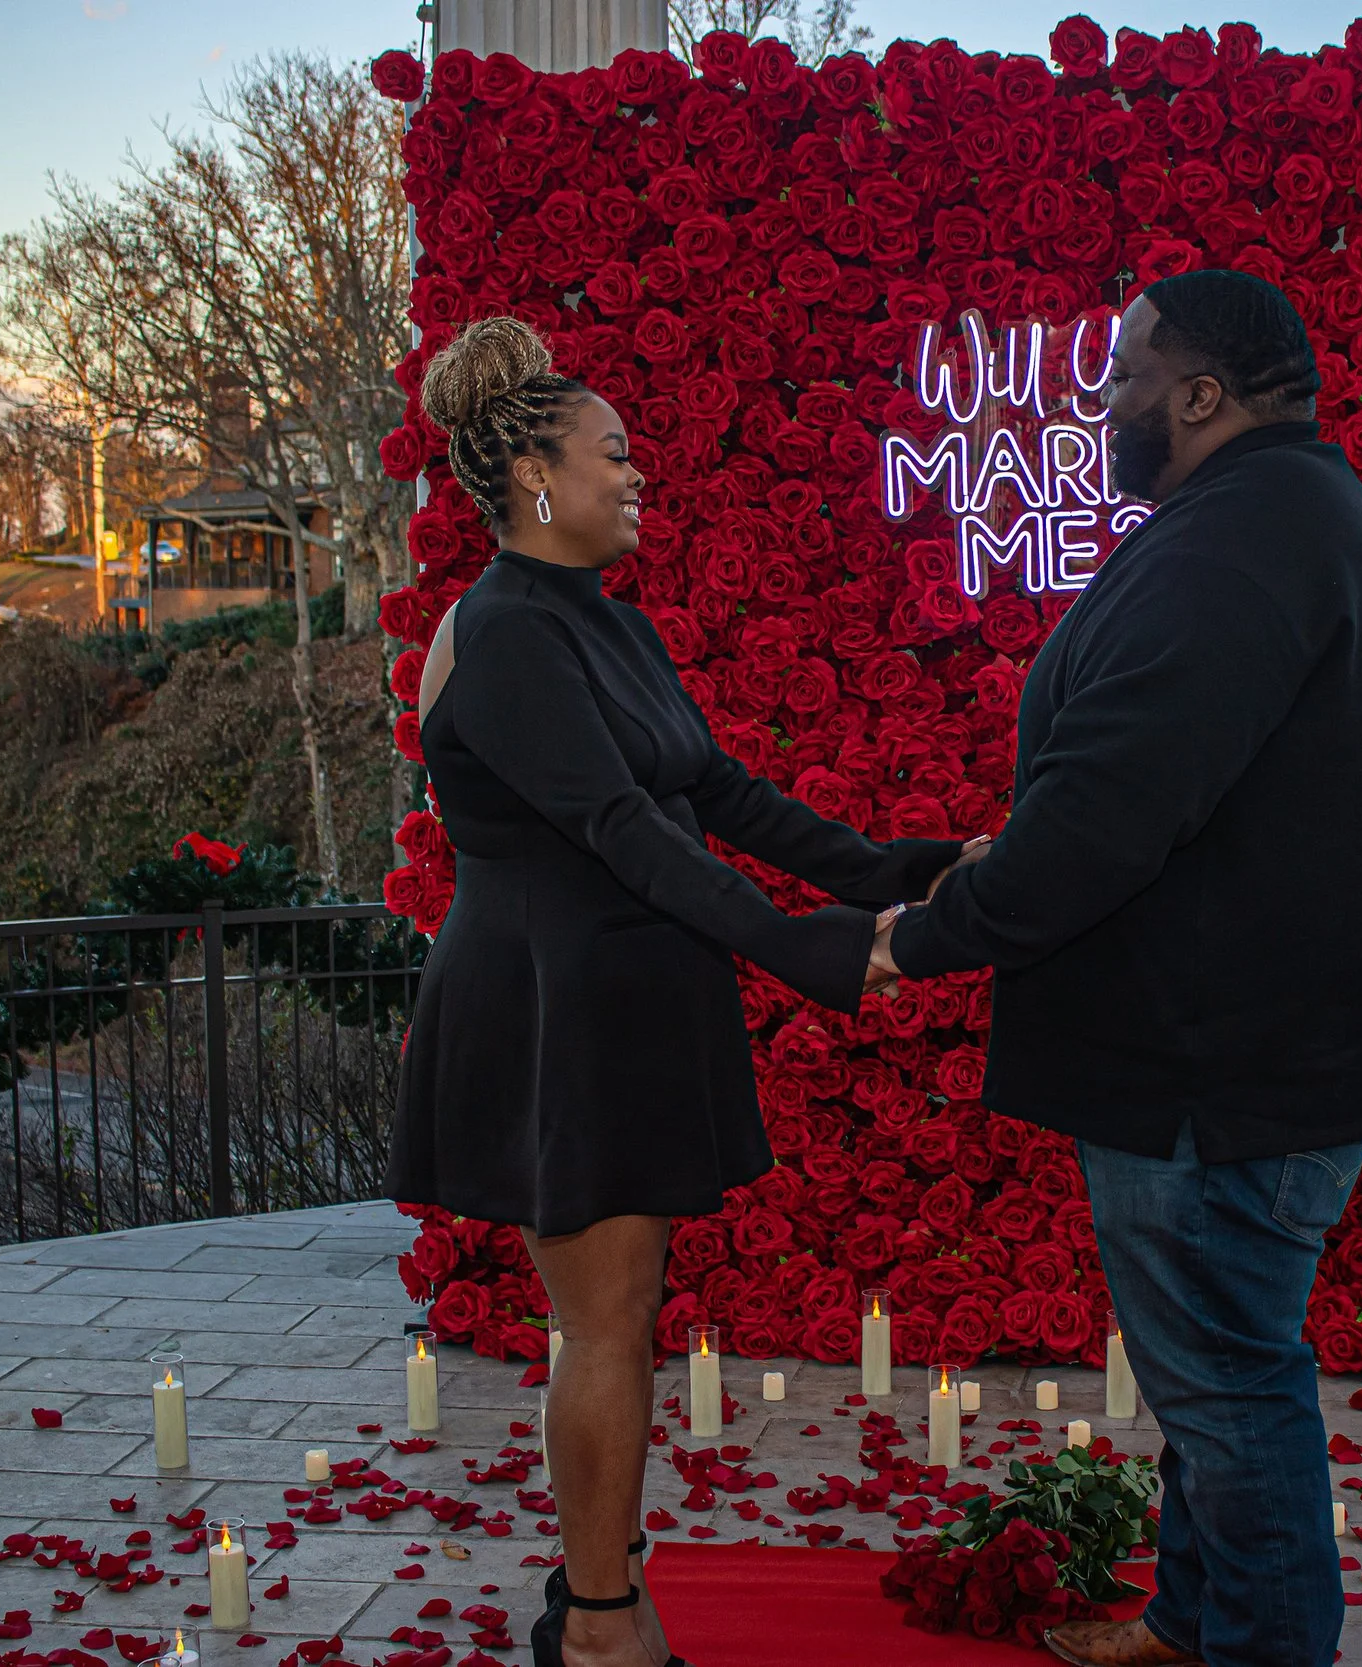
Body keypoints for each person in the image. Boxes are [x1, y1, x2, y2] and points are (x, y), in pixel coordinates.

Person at [872, 270, 1362, 1667]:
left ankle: (1249, 1646)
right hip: (1265, 1054)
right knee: (1221, 1376)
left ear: (1201, 394)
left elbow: (1107, 818)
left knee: (1233, 1389)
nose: (1105, 398)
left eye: (1128, 372)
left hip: (1218, 1071)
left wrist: (922, 936)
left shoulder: (1235, 546)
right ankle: (1191, 1625)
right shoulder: (1298, 515)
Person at [386, 317, 972, 1667]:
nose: (637, 475)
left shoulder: (598, 621)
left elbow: (715, 794)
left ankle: (606, 1579)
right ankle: (597, 1626)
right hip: (553, 1009)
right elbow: (625, 834)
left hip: (620, 996)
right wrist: (818, 949)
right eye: (615, 454)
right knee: (603, 1320)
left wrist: (912, 866)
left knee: (625, 1314)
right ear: (537, 474)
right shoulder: (508, 631)